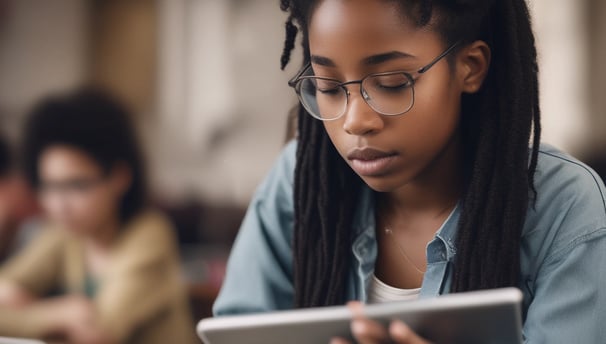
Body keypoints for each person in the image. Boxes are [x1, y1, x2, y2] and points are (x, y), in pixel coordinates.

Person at [213, 0, 606, 343]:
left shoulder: (565, 210)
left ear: (470, 67)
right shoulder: (301, 184)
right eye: (329, 87)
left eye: (391, 83)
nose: (354, 121)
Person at [0, 89, 197, 344]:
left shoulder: (150, 234)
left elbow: (99, 333)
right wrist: (57, 314)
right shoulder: (67, 235)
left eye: (77, 185)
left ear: (119, 177)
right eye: (49, 186)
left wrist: (28, 313)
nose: (59, 205)